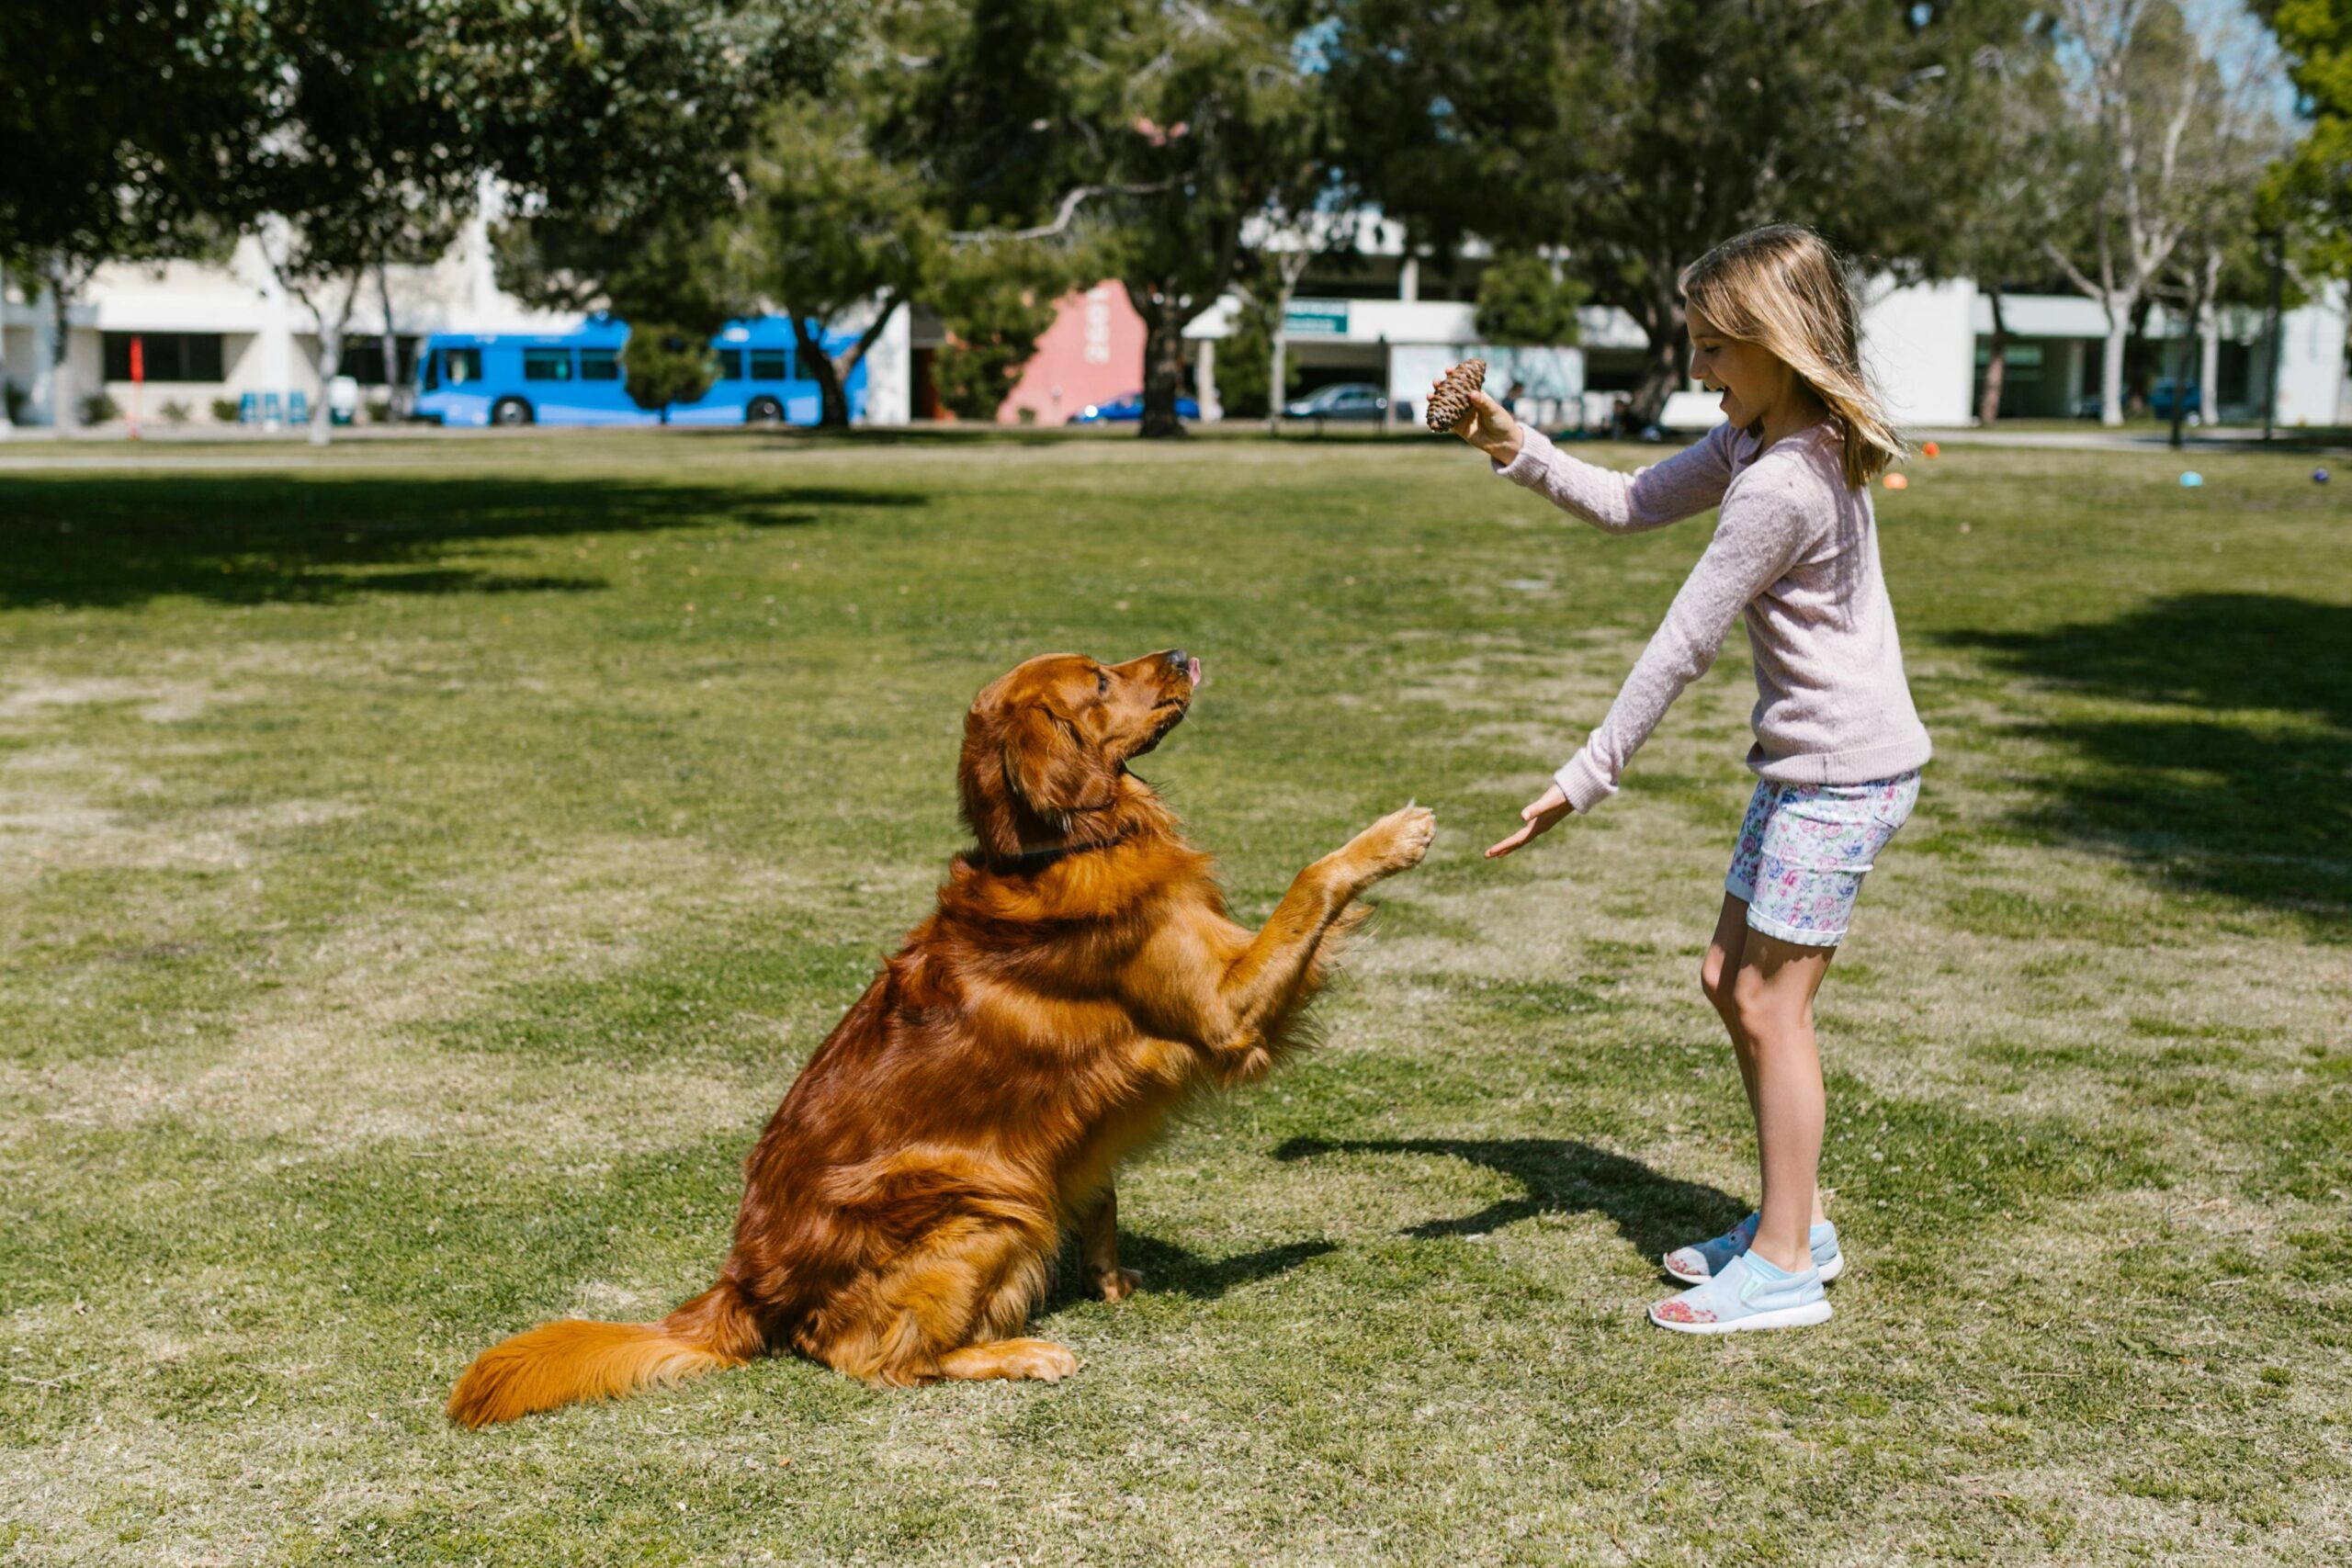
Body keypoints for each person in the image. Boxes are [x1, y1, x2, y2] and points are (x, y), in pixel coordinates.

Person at [1442, 224, 1930, 1334]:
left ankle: (1788, 1262)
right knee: (1728, 978)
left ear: (1778, 343)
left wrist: (1584, 776)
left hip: (1842, 778)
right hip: (1810, 768)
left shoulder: (1782, 482)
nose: (1698, 370)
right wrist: (1506, 438)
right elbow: (1625, 501)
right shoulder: (1760, 441)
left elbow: (1681, 642)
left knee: (1769, 1002)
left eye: (1715, 349)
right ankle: (1793, 1219)